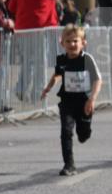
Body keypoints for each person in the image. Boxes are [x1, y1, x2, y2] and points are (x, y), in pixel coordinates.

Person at [40, 25, 102, 177]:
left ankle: (85, 129)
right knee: (66, 132)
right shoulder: (62, 59)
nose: (72, 44)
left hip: (84, 102)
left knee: (83, 134)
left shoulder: (87, 59)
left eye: (75, 41)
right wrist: (48, 88)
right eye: (68, 41)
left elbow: (98, 80)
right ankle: (69, 165)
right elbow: (57, 75)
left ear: (83, 43)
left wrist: (92, 99)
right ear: (62, 43)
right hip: (67, 101)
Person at [9, 0, 68, 100]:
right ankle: (37, 92)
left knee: (27, 61)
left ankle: (21, 88)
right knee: (40, 62)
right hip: (40, 31)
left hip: (22, 30)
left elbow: (12, 7)